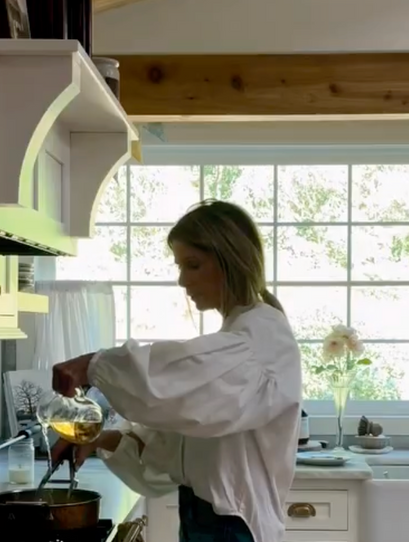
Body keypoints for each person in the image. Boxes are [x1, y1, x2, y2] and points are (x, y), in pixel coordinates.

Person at [51, 199, 303, 542]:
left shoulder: (260, 336)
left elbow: (177, 375)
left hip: (232, 528)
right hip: (211, 521)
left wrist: (94, 365)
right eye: (180, 265)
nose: (182, 280)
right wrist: (98, 440)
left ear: (230, 261)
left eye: (193, 265)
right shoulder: (239, 335)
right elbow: (189, 440)